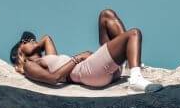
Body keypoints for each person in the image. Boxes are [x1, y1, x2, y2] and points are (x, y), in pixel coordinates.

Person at [9, 8, 161, 93]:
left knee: (106, 15)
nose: (32, 41)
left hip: (97, 69)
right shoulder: (29, 65)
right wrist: (78, 58)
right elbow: (54, 78)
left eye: (32, 39)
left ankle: (130, 63)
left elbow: (47, 39)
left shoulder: (48, 58)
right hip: (88, 72)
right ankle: (135, 79)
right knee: (133, 34)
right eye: (27, 41)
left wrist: (37, 43)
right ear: (20, 52)